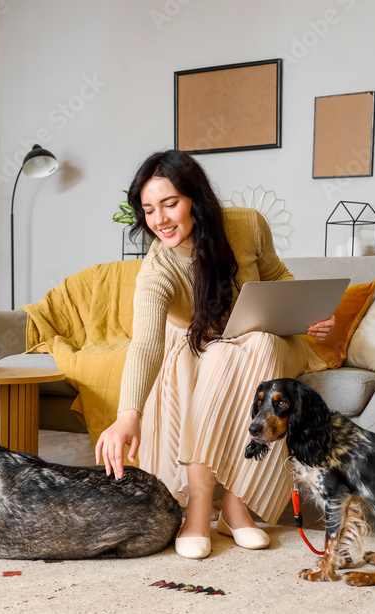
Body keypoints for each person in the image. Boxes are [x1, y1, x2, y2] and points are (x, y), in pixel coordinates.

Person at [95, 150, 334, 559]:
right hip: (204, 349)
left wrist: (308, 315)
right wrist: (127, 414)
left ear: (196, 199)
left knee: (256, 342)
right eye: (149, 210)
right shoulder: (158, 268)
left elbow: (278, 277)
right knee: (219, 354)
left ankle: (237, 507)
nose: (160, 220)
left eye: (170, 204)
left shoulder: (247, 225)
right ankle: (200, 505)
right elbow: (147, 343)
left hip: (270, 344)